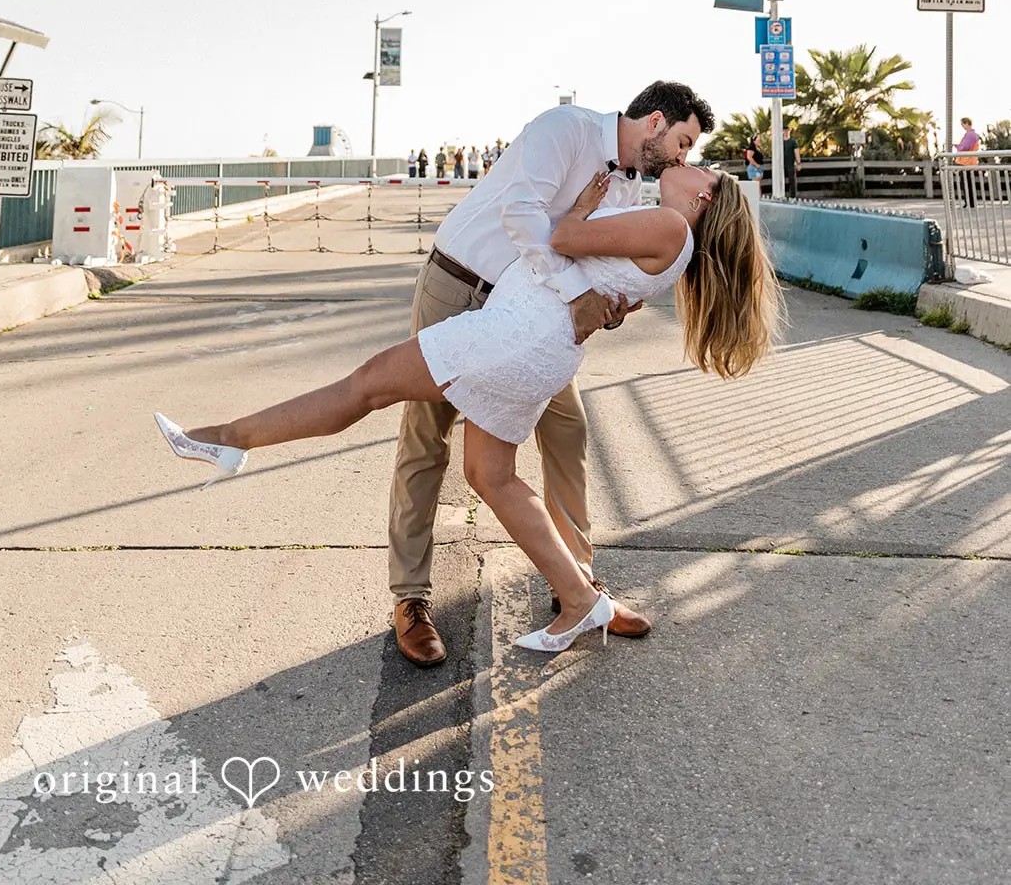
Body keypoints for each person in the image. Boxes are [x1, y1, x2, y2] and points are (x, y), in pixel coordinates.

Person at [155, 160, 779, 656]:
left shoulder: (671, 229)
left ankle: (229, 438)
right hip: (542, 347)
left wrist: (582, 210)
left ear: (703, 200)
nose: (693, 164)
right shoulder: (665, 235)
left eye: (707, 173)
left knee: (368, 385)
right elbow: (583, 260)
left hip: (512, 336)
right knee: (490, 475)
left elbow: (558, 236)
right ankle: (578, 597)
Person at [386, 81, 714, 666]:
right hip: (461, 284)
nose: (684, 159)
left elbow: (596, 252)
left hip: (530, 313)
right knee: (426, 435)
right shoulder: (565, 130)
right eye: (683, 143)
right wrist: (578, 295)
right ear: (656, 122)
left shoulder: (635, 185)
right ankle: (410, 599)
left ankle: (579, 586)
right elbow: (522, 215)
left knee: (567, 429)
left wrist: (613, 304)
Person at [955, 117, 982, 207]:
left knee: (966, 183)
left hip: (967, 162)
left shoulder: (970, 135)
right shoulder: (971, 134)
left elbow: (965, 147)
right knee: (968, 183)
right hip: (969, 161)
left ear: (966, 123)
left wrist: (957, 146)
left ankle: (969, 202)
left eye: (962, 124)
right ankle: (970, 202)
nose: (962, 126)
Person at [782, 125, 802, 199]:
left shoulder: (793, 141)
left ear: (789, 131)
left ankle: (793, 197)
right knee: (781, 180)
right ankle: (782, 195)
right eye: (784, 130)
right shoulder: (780, 142)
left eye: (787, 130)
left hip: (790, 164)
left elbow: (796, 152)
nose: (786, 132)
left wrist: (798, 163)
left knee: (792, 180)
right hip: (781, 164)